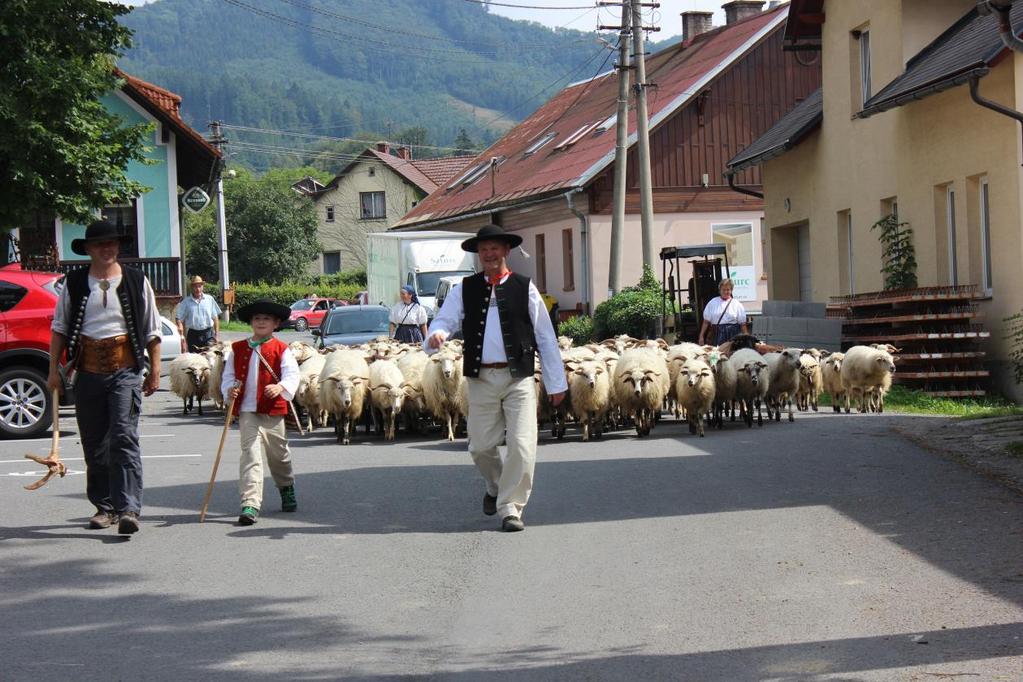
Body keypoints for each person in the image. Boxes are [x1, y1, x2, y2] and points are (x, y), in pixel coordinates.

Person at [426, 224, 566, 533]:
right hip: (481, 378)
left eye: (495, 248)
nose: (489, 254)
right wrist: (437, 334)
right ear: (479, 253)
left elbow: (545, 335)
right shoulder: (465, 288)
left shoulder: (524, 287)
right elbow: (445, 319)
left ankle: (510, 507)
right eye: (484, 249)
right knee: (479, 447)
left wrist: (557, 383)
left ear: (506, 251)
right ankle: (495, 485)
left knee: (522, 445)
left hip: (519, 377)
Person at [47, 220, 162, 535]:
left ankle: (129, 509)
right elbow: (59, 327)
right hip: (87, 371)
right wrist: (53, 372)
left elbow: (152, 330)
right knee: (95, 442)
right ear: (88, 250)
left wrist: (154, 369)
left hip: (125, 370)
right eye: (100, 245)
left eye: (112, 243)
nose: (107, 249)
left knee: (124, 437)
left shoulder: (137, 281)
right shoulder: (73, 283)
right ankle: (105, 507)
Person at [221, 299, 300, 526]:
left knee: (279, 456)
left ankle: (286, 487)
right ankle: (250, 504)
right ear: (250, 322)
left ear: (276, 323)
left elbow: (292, 375)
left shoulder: (282, 349)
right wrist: (229, 390)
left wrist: (280, 387)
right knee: (250, 455)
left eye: (266, 319)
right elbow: (227, 377)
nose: (261, 322)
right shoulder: (237, 349)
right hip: (247, 411)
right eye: (257, 318)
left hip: (272, 410)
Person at [176, 275, 221, 353]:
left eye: (199, 286)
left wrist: (216, 335)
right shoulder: (186, 302)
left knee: (210, 358)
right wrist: (180, 325)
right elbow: (178, 317)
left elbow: (215, 317)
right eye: (195, 287)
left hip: (208, 334)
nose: (198, 289)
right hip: (193, 335)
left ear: (202, 287)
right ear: (192, 288)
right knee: (195, 361)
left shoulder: (209, 299)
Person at [697, 278, 749, 346]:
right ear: (720, 290)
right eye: (723, 290)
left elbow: (743, 324)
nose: (725, 292)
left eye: (728, 290)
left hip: (733, 334)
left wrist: (747, 338)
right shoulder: (712, 302)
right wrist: (701, 336)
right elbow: (706, 322)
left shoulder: (737, 304)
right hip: (717, 334)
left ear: (731, 290)